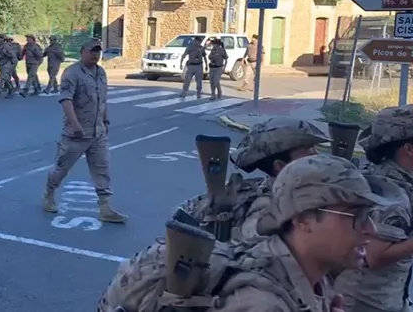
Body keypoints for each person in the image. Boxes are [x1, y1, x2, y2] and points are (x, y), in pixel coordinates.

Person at [98, 155, 382, 312]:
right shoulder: (260, 303)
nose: (371, 230)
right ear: (303, 220)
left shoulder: (315, 278)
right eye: (356, 217)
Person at [180, 117, 330, 240]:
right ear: (280, 166)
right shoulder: (268, 207)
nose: (316, 157)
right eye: (308, 154)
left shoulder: (302, 193)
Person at [334, 105, 413, 312]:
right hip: (368, 302)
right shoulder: (389, 191)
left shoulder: (382, 174)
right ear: (409, 149)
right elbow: (374, 256)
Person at [42, 38, 127, 223]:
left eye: (98, 51)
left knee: (102, 168)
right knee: (62, 167)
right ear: (82, 51)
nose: (95, 54)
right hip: (76, 133)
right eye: (92, 50)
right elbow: (66, 100)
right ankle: (48, 194)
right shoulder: (72, 72)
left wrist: (105, 120)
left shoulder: (101, 72)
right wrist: (75, 125)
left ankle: (105, 207)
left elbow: (102, 99)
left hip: (97, 132)